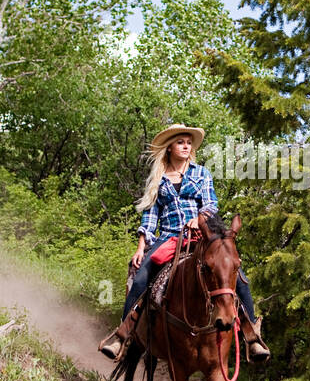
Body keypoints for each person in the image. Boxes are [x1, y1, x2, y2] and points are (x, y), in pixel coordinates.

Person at [101, 124, 270, 362]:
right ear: (169, 147)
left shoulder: (201, 173)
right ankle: (122, 336)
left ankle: (252, 337)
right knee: (140, 278)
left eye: (188, 143)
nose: (186, 146)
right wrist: (141, 247)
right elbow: (149, 216)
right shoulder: (158, 179)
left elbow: (211, 205)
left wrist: (197, 220)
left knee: (237, 276)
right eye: (180, 142)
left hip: (202, 236)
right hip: (169, 236)